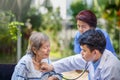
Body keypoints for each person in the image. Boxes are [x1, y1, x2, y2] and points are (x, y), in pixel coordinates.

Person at [41, 29, 120, 80]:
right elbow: (71, 62)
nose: (81, 53)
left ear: (95, 52)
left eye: (84, 50)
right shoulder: (92, 57)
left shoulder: (111, 68)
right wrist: (51, 67)